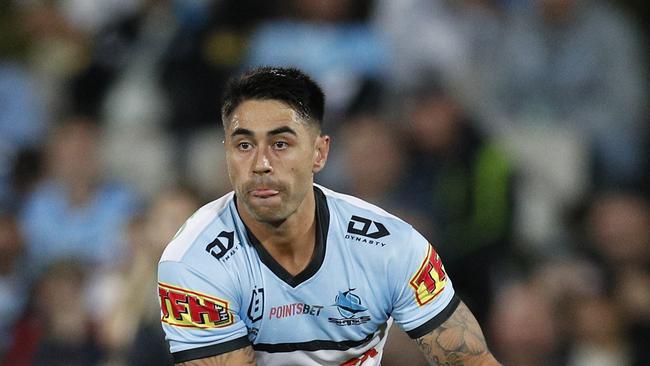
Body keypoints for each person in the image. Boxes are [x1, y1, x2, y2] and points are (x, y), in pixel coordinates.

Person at [157, 66, 500, 365]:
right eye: (244, 145)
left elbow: (473, 360)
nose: (261, 165)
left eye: (281, 144)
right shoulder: (192, 261)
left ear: (319, 153)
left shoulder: (392, 244)